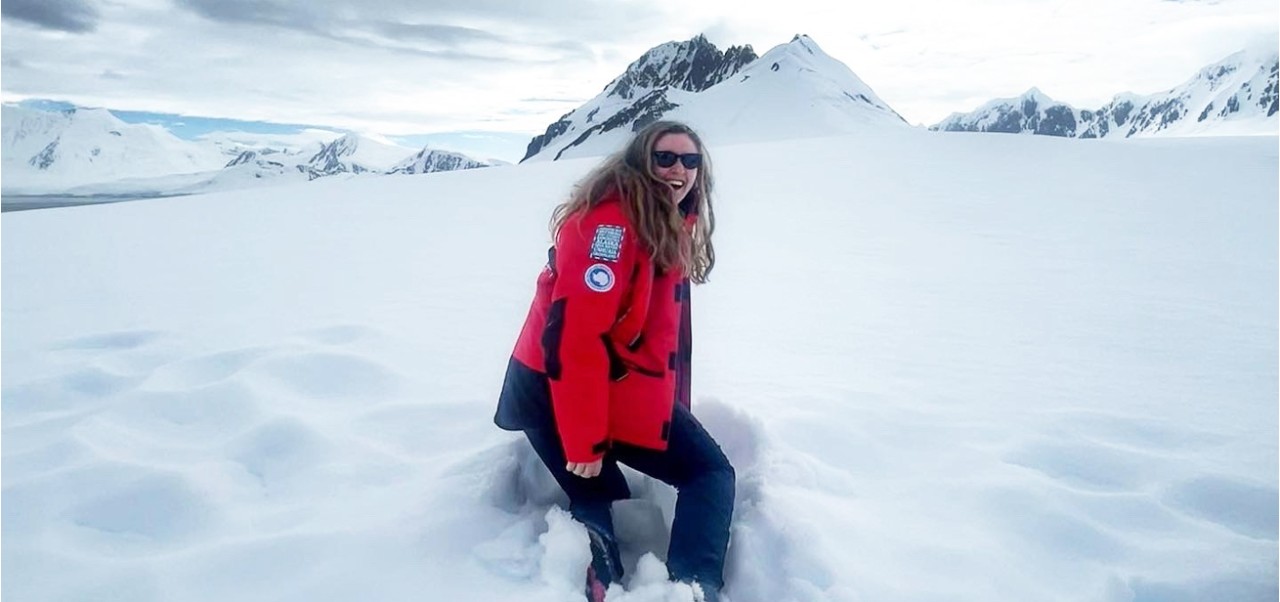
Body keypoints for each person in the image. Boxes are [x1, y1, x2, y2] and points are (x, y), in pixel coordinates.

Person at [495, 121, 735, 602]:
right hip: (553, 388)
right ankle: (680, 588)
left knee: (605, 487)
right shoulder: (612, 228)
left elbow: (663, 336)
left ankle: (664, 585)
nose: (679, 170)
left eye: (691, 161)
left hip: (602, 387)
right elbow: (575, 338)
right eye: (665, 157)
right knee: (692, 475)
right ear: (640, 161)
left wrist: (671, 408)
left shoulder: (664, 222)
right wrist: (585, 441)